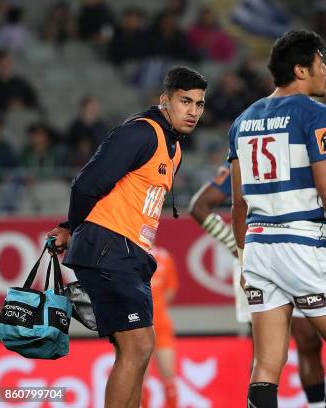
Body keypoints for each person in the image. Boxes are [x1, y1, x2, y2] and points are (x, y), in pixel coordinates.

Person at [229, 29, 326, 408]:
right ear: (300, 70)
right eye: (320, 63)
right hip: (303, 245)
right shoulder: (316, 114)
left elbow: (237, 206)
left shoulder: (242, 121)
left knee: (265, 365)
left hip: (260, 245)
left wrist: (245, 258)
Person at [47, 67, 207, 408]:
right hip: (110, 246)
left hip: (129, 252)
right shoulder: (141, 133)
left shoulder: (173, 149)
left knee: (138, 348)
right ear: (165, 101)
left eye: (199, 103)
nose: (193, 110)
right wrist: (72, 228)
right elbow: (87, 183)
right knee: (138, 346)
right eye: (185, 101)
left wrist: (70, 227)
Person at [189, 162, 326, 407]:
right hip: (256, 259)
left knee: (309, 340)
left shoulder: (297, 151)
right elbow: (199, 206)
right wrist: (236, 248)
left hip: (294, 256)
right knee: (265, 353)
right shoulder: (243, 157)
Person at [142, 246, 179, 408]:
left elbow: (170, 291)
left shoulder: (165, 257)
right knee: (141, 377)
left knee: (169, 375)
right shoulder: (130, 254)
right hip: (139, 325)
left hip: (161, 324)